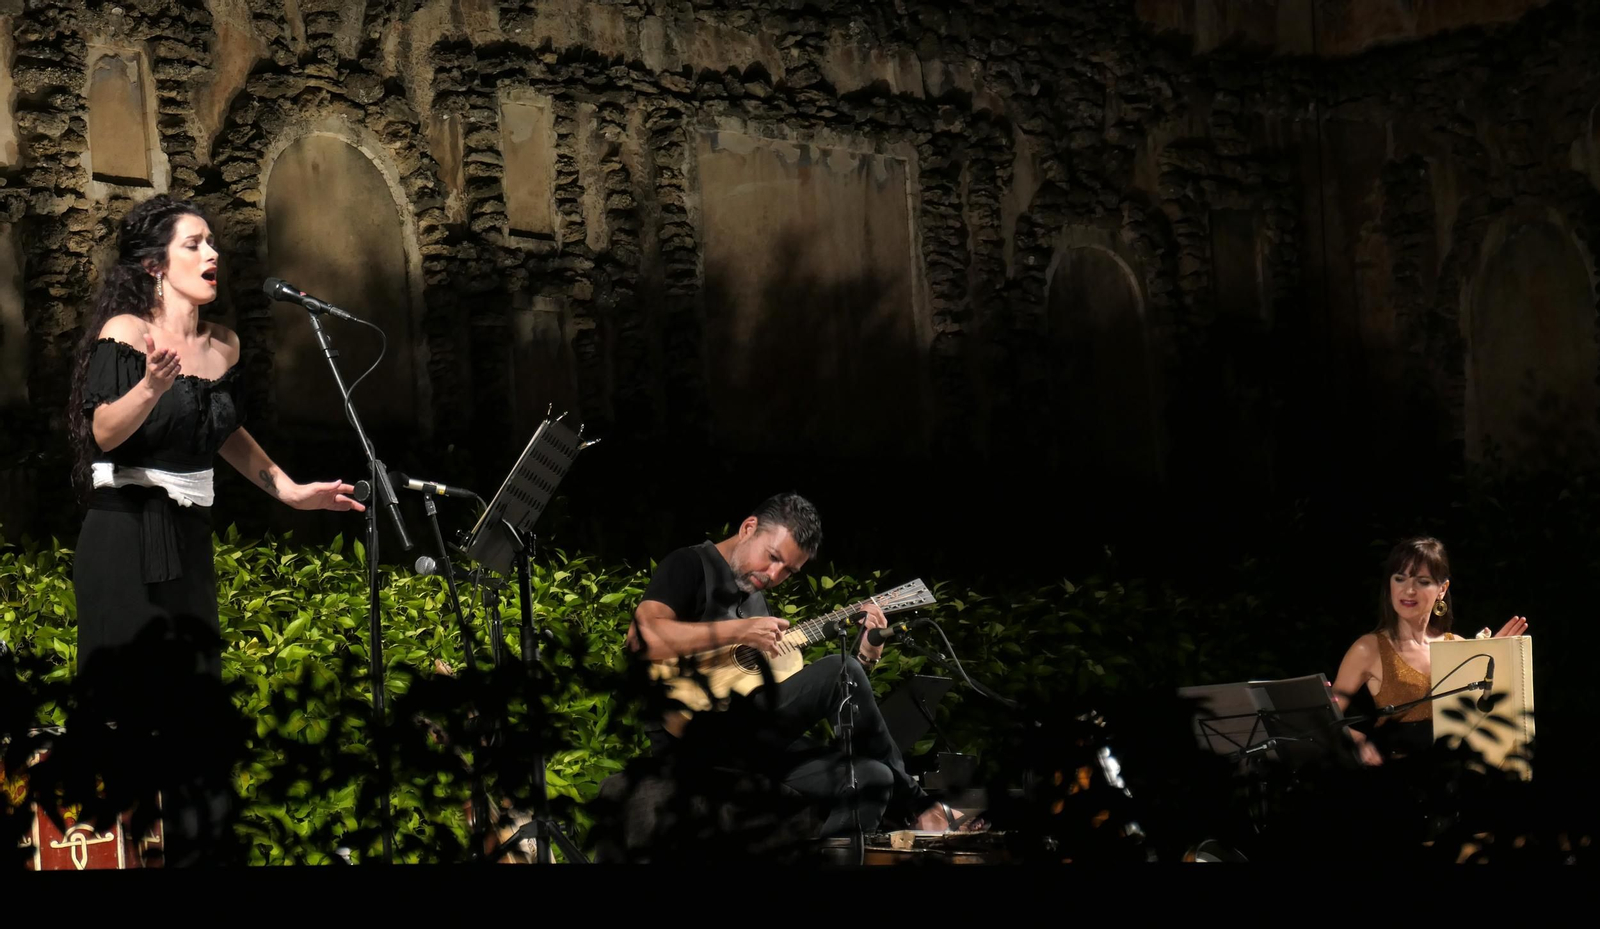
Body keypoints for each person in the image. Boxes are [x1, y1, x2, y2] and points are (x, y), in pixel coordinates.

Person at [66, 195, 365, 864]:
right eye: (195, 244)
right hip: (124, 535)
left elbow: (222, 430)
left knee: (195, 721)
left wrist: (288, 488)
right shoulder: (127, 331)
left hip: (189, 543)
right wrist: (148, 386)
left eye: (213, 244)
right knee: (126, 718)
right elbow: (102, 432)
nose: (213, 256)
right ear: (154, 264)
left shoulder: (223, 344)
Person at [626, 493, 953, 838]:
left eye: (788, 571)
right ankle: (921, 807)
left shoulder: (754, 598)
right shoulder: (689, 565)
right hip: (695, 737)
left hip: (748, 743)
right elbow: (640, 637)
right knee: (839, 670)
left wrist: (866, 653)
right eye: (772, 558)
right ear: (749, 528)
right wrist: (738, 630)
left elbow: (804, 693)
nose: (773, 574)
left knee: (871, 776)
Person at [1331, 537, 1527, 765]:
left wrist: (1496, 659)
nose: (1409, 590)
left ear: (1442, 589)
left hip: (1452, 777)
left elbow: (1484, 720)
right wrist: (1359, 741)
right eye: (1399, 579)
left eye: (1422, 582)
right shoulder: (1368, 648)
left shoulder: (1457, 646)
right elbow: (1324, 719)